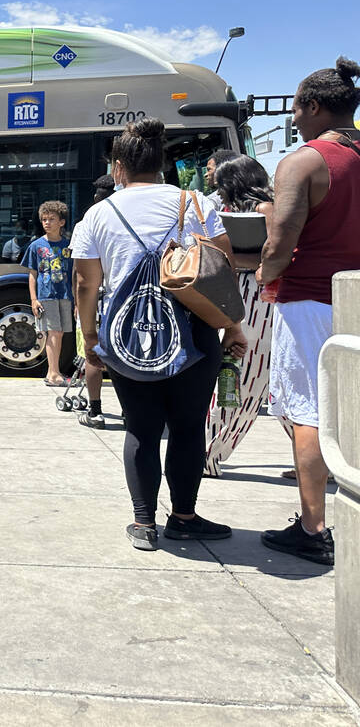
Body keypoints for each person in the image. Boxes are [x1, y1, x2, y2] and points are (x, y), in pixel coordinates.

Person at [72, 118, 246, 552]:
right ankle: (184, 517)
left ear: (117, 168)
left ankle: (144, 523)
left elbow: (85, 283)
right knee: (188, 428)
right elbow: (223, 269)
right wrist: (232, 328)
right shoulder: (196, 203)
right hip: (196, 330)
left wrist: (91, 338)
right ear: (163, 163)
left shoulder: (98, 213)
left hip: (128, 334)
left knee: (141, 429)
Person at [257, 56, 360, 566]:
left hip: (310, 302)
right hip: (357, 301)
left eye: (296, 109)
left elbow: (280, 243)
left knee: (309, 414)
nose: (293, 119)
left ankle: (313, 527)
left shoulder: (303, 162)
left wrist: (262, 277)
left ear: (313, 106)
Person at [202, 155, 275, 476]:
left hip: (259, 301)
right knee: (244, 376)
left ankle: (207, 451)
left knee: (240, 375)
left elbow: (275, 253)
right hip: (237, 295)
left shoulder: (266, 210)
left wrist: (232, 257)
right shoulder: (231, 212)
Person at [72, 175, 115, 429]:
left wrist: (78, 304)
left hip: (94, 300)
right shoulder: (126, 219)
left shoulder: (87, 222)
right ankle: (129, 412)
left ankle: (95, 411)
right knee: (119, 358)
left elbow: (80, 275)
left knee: (92, 355)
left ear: (97, 196)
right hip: (119, 301)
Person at [24, 200, 73, 387]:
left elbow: (73, 272)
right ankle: (53, 373)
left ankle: (54, 371)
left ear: (61, 222)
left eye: (52, 219)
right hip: (46, 295)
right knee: (54, 332)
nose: (47, 223)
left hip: (65, 294)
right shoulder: (36, 246)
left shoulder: (68, 246)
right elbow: (32, 274)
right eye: (44, 219)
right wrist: (33, 299)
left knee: (59, 334)